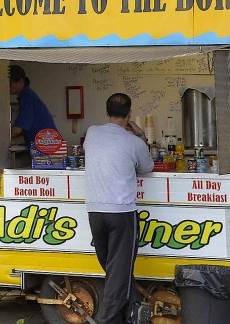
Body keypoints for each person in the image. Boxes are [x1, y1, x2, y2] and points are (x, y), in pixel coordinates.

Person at [84, 93, 154, 324]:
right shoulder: (133, 142)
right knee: (118, 270)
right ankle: (108, 319)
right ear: (130, 113)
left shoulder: (92, 133)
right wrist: (140, 134)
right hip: (122, 212)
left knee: (114, 269)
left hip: (95, 212)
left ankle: (133, 310)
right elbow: (147, 166)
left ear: (106, 112)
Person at [8, 64, 57, 148]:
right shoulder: (27, 96)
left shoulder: (27, 98)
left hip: (48, 146)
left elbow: (17, 130)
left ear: (20, 82)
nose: (7, 86)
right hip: (47, 144)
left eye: (10, 83)